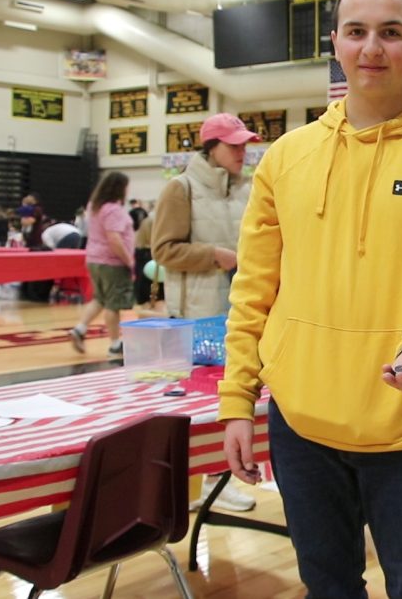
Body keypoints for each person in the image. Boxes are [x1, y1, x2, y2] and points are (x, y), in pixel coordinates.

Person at [218, 0, 402, 598]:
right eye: (356, 31)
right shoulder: (288, 156)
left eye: (392, 31)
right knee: (328, 587)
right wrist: (238, 399)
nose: (372, 48)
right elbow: (254, 288)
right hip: (301, 423)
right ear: (336, 42)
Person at [152, 112, 260, 513]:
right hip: (197, 314)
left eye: (244, 145)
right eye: (233, 145)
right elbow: (163, 250)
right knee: (199, 402)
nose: (242, 153)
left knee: (234, 395)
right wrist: (215, 256)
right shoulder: (180, 189)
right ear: (210, 147)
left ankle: (218, 477)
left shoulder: (247, 189)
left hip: (241, 307)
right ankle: (203, 481)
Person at [67, 172, 135, 360]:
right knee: (114, 303)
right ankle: (115, 345)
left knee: (100, 298)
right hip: (112, 262)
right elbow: (114, 239)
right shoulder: (113, 210)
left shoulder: (94, 207)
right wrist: (129, 260)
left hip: (94, 259)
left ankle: (80, 329)